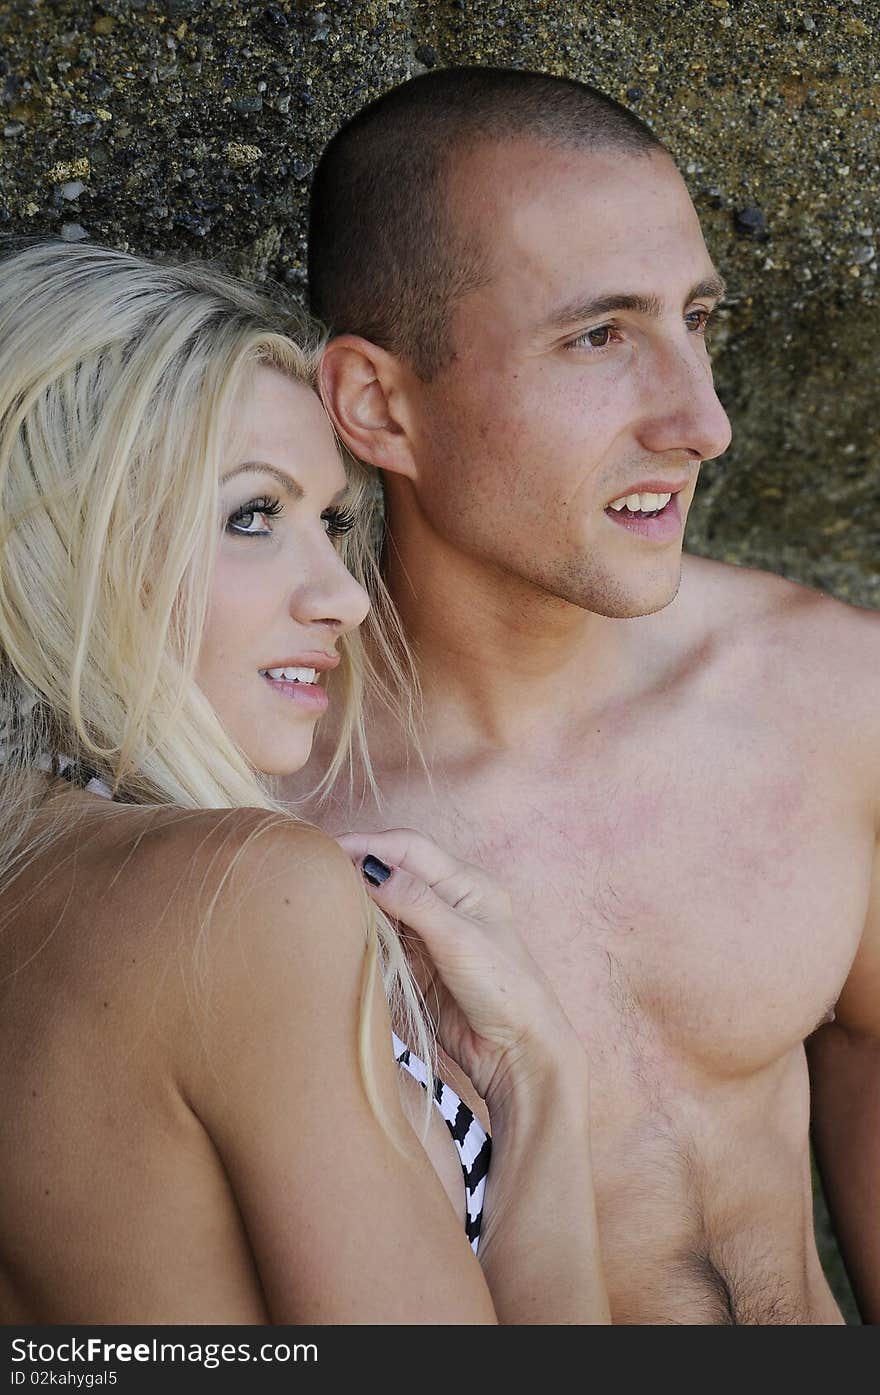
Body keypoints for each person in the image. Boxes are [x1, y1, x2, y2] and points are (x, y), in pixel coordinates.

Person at [287, 66, 880, 1325]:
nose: (702, 421)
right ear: (378, 404)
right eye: (598, 335)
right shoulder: (271, 827)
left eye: (697, 320)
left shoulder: (833, 695)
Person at [0, 238, 609, 1325]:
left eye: (329, 522)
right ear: (59, 540)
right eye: (251, 515)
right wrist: (539, 1083)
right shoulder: (241, 893)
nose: (343, 597)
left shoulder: (42, 878)